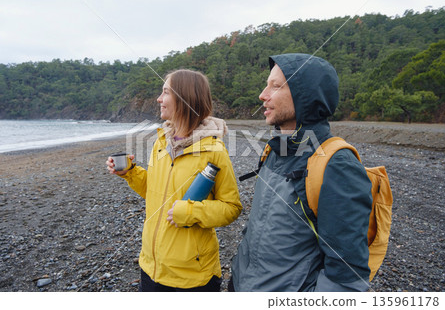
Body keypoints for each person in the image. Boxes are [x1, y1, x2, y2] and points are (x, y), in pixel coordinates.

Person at [230, 53, 373, 292]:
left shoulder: (337, 164)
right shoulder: (274, 150)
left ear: (305, 95)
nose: (262, 95)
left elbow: (346, 277)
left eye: (275, 86)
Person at [106, 69, 242, 292]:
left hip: (192, 277)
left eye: (165, 92)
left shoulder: (214, 149)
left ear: (185, 99)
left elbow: (232, 207)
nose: (159, 99)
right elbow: (155, 190)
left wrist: (190, 213)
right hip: (151, 267)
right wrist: (130, 172)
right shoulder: (161, 142)